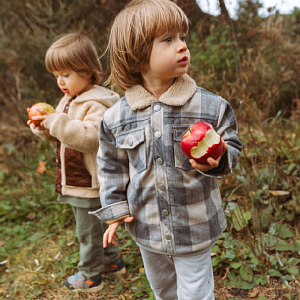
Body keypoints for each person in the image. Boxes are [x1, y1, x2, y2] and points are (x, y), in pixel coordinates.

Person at [90, 0, 243, 299]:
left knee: (195, 292)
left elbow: (232, 145)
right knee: (162, 290)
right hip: (146, 227)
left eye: (183, 37)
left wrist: (219, 158)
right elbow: (111, 165)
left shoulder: (209, 106)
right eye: (168, 40)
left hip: (194, 225)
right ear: (137, 54)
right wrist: (116, 209)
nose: (182, 46)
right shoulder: (116, 117)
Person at [27, 33, 125, 292]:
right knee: (98, 225)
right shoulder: (69, 100)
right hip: (79, 179)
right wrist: (44, 128)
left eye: (66, 74)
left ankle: (90, 276)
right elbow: (66, 136)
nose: (60, 81)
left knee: (88, 232)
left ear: (87, 71)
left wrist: (55, 121)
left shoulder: (97, 103)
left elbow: (90, 138)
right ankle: (112, 262)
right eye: (56, 75)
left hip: (90, 182)